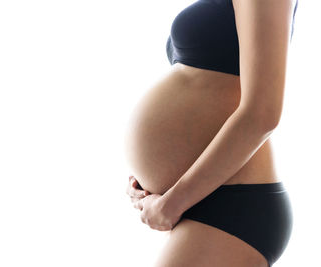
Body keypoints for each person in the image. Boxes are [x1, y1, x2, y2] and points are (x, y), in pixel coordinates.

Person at [124, 0, 298, 266]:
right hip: (202, 195)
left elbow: (262, 115)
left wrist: (171, 204)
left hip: (233, 206)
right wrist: (151, 181)